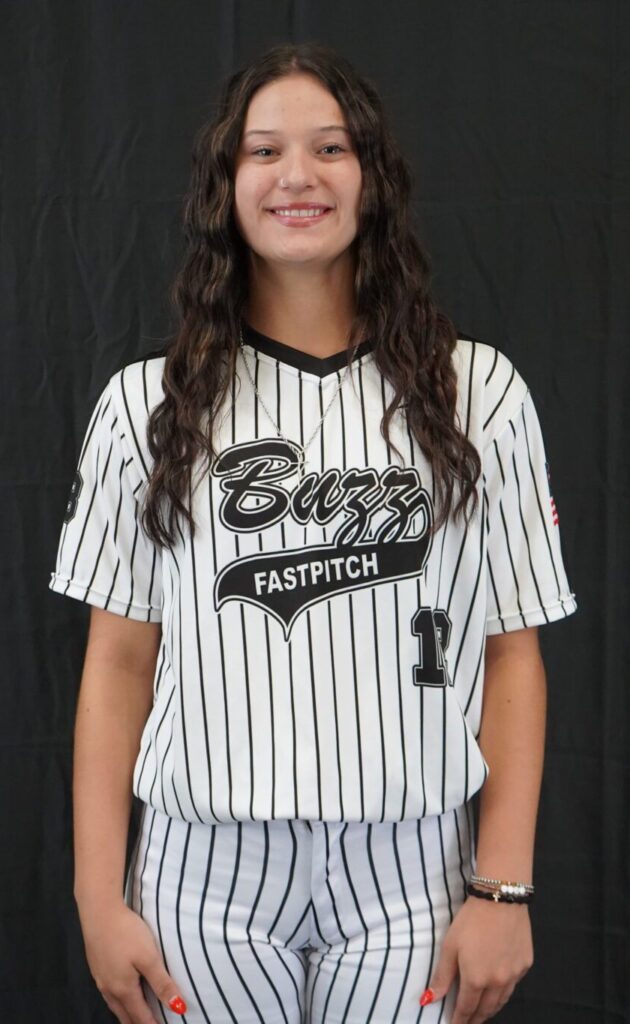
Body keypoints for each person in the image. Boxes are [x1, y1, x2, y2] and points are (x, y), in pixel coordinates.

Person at [49, 42, 578, 1024]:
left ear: (374, 179)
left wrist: (504, 887)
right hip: (205, 873)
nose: (298, 174)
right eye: (264, 151)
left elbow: (512, 652)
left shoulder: (480, 393)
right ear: (225, 186)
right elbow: (119, 661)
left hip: (410, 870)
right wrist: (96, 893)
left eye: (331, 148)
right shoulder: (144, 406)